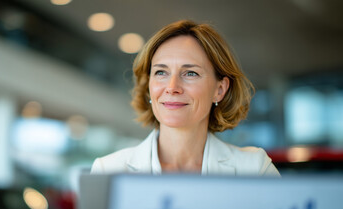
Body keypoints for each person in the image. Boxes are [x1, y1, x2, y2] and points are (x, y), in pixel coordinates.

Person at [91, 20, 280, 176]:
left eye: (190, 73)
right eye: (161, 72)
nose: (172, 87)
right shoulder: (108, 171)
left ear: (219, 89)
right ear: (149, 87)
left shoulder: (255, 170)